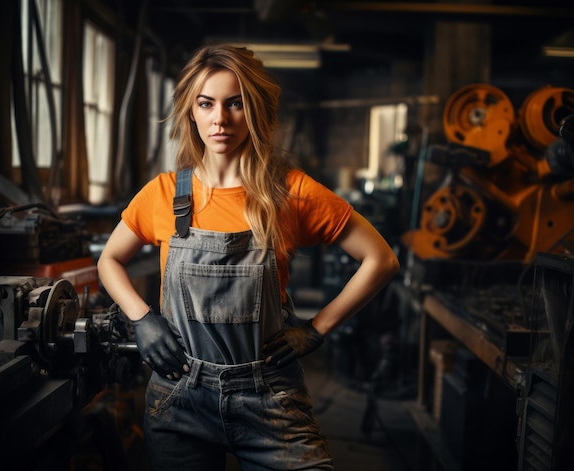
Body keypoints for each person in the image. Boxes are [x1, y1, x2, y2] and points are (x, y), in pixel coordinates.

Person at [97, 43, 400, 471]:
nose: (220, 119)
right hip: (179, 396)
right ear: (192, 111)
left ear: (255, 110)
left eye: (235, 103)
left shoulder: (290, 192)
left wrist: (317, 328)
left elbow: (381, 259)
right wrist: (142, 319)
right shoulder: (164, 194)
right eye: (207, 104)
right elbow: (108, 260)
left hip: (269, 398)